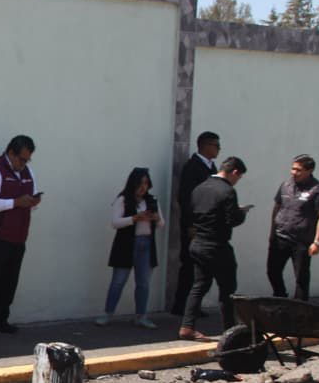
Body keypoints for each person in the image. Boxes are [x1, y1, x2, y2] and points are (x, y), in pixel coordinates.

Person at [0, 135, 42, 339]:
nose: (24, 164)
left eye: (27, 160)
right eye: (21, 159)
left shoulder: (28, 172)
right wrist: (15, 202)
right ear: (10, 153)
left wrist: (32, 202)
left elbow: (32, 197)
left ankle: (1, 320)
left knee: (9, 282)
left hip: (18, 236)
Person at [178, 157, 250, 341]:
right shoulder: (227, 191)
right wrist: (241, 213)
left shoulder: (200, 188)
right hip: (217, 245)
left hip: (198, 242)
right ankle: (229, 331)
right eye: (238, 177)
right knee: (227, 290)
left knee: (199, 286)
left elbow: (191, 211)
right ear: (234, 172)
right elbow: (231, 220)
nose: (237, 181)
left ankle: (187, 326)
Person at [96, 167, 164, 328]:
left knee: (143, 283)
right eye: (140, 183)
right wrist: (134, 218)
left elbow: (162, 223)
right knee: (118, 281)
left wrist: (155, 218)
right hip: (126, 244)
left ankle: (141, 316)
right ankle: (107, 314)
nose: (143, 187)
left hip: (146, 244)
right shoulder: (123, 199)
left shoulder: (152, 200)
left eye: (146, 184)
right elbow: (115, 222)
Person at [170, 131, 220, 316]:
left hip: (207, 225)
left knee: (202, 268)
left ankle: (193, 305)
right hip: (195, 226)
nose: (218, 149)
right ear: (205, 145)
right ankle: (181, 305)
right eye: (215, 145)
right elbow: (185, 197)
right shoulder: (193, 167)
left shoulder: (211, 167)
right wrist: (190, 224)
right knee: (190, 265)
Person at [267, 154, 319, 302]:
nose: (293, 172)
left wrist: (317, 242)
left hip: (302, 241)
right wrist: (272, 233)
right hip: (280, 236)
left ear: (309, 170)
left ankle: (300, 307)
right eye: (292, 169)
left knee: (301, 277)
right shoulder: (285, 185)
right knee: (272, 271)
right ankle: (280, 297)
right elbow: (277, 208)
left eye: (298, 170)